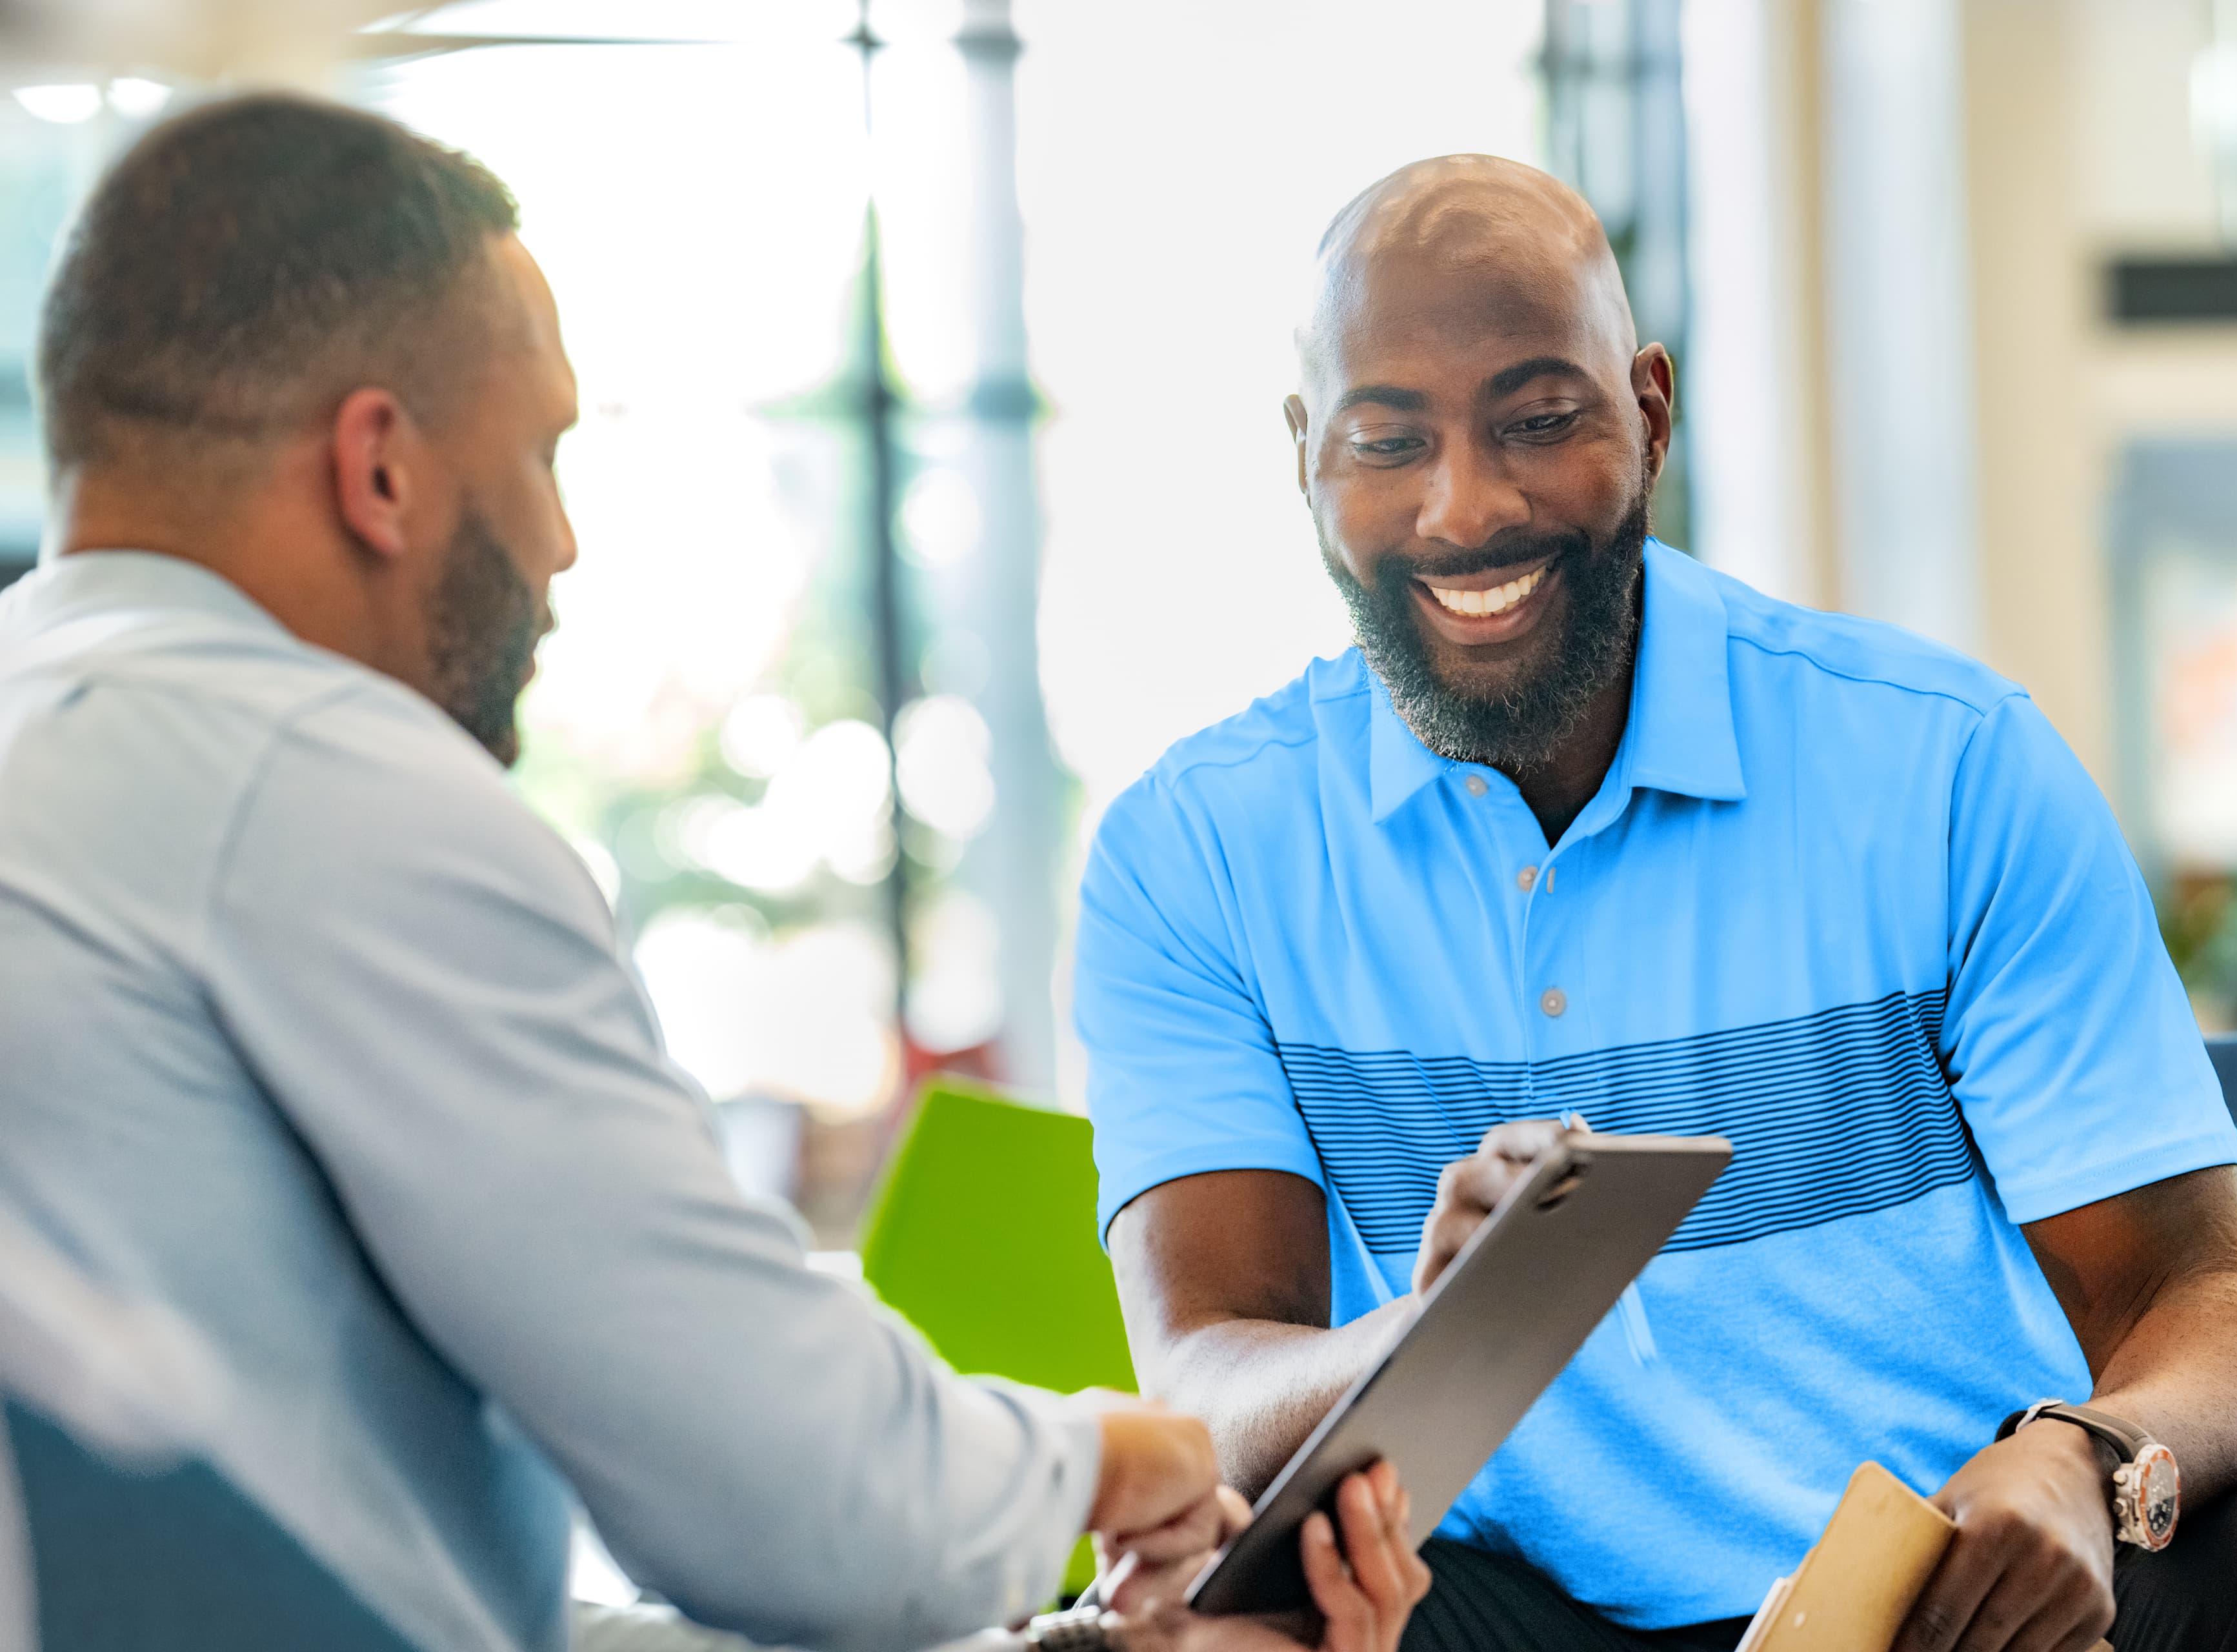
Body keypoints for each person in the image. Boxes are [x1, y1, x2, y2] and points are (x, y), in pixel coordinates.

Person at [0, 94, 1427, 1652]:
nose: (560, 544)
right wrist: (1110, 1453)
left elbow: (420, 1593)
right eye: (542, 452)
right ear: (381, 469)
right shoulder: (316, 780)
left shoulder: (70, 762)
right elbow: (808, 1502)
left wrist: (1066, 1649)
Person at [1075, 154, 2237, 1652]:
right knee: (1217, 1626)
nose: (1466, 505)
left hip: (1950, 1585)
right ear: (1306, 456)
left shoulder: (1945, 764)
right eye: (1387, 439)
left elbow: (2221, 1321)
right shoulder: (1193, 854)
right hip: (1503, 1608)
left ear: (1651, 414)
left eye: (1540, 420)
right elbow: (1206, 1384)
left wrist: (2080, 1459)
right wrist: (1431, 1339)